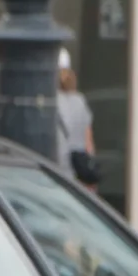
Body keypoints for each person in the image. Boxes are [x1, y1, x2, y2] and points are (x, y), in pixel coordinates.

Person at [55, 53, 96, 185]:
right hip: (77, 176)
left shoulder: (50, 102)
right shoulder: (80, 101)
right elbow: (89, 144)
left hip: (56, 171)